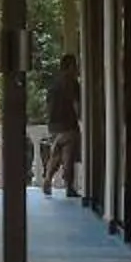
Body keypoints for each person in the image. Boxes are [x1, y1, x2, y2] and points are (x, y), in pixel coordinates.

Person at [46, 53, 82, 198]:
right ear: (70, 66)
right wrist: (79, 117)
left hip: (54, 125)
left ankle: (48, 179)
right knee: (68, 156)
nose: (77, 68)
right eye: (75, 65)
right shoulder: (72, 83)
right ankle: (69, 187)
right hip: (68, 124)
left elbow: (48, 104)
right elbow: (76, 104)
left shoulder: (54, 84)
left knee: (56, 155)